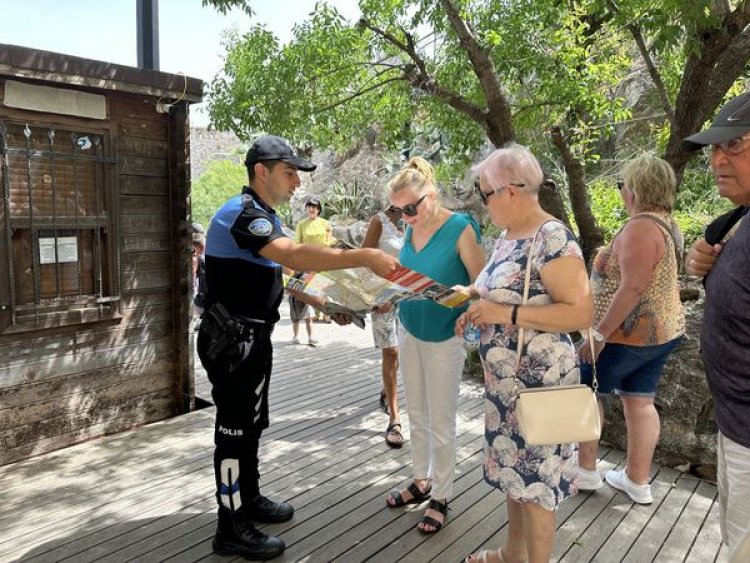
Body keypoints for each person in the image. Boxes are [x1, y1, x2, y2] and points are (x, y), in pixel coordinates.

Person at [197, 134, 399, 560]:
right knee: (233, 434)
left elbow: (283, 272)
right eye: (289, 173)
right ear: (261, 171)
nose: (296, 184)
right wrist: (363, 255)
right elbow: (296, 255)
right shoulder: (241, 215)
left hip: (252, 341)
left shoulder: (262, 217)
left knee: (249, 427)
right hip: (233, 343)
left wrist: (328, 304)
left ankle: (248, 501)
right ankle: (229, 526)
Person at [456, 145, 593, 563]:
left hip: (540, 388)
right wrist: (468, 302)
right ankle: (511, 554)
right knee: (513, 476)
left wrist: (503, 312)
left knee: (536, 489)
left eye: (485, 194)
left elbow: (581, 311)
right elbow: (486, 287)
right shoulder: (506, 237)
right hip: (507, 387)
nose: (484, 202)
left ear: (511, 191)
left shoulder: (552, 238)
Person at [383, 156, 485, 534]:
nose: (405, 218)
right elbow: (410, 278)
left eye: (410, 208)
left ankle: (442, 493)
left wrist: (469, 300)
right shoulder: (412, 228)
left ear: (432, 193)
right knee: (416, 413)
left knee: (442, 419)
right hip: (410, 328)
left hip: (445, 336)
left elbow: (483, 284)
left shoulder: (461, 228)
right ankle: (420, 479)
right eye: (398, 212)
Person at [577, 154, 686, 506]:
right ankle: (637, 481)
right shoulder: (666, 223)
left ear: (635, 189)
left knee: (586, 391)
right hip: (660, 335)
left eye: (622, 184)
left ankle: (585, 470)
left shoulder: (640, 227)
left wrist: (598, 335)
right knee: (640, 402)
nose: (621, 191)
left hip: (626, 337)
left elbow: (633, 287)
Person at [680, 91, 750, 560]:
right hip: (735, 424)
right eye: (715, 149)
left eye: (736, 145)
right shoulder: (740, 217)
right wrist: (707, 259)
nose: (717, 160)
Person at [362, 205, 405, 447]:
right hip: (383, 298)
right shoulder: (379, 220)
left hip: (410, 297)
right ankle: (394, 418)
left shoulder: (417, 220)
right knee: (391, 350)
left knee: (405, 352)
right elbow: (363, 259)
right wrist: (375, 295)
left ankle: (386, 390)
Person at [289, 197, 333, 344]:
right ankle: (311, 315)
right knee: (308, 289)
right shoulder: (301, 224)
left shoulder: (325, 224)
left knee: (322, 287)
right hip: (307, 262)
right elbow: (297, 244)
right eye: (309, 207)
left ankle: (324, 314)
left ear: (319, 209)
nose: (312, 209)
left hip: (322, 261)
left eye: (314, 207)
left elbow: (329, 241)